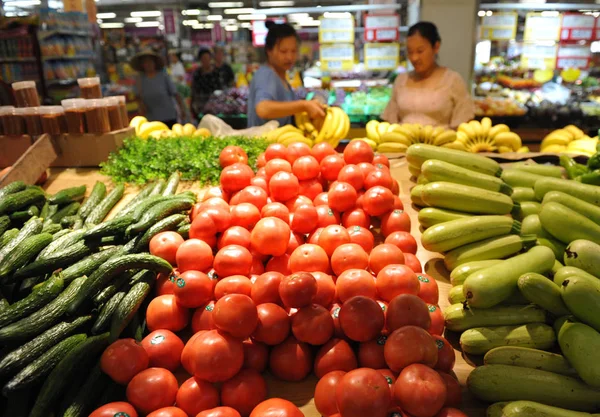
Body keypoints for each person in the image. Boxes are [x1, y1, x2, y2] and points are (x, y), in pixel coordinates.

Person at [381, 21, 474, 128]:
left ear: (436, 47)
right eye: (410, 52)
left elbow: (463, 124)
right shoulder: (401, 80)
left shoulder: (452, 80)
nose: (414, 58)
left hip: (441, 144)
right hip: (404, 143)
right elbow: (390, 121)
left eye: (420, 51)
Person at [247, 22, 325, 127]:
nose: (289, 57)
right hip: (267, 142)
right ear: (269, 51)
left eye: (293, 51)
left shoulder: (281, 78)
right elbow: (263, 109)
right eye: (283, 51)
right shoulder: (266, 75)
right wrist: (303, 105)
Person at [131, 50, 185, 128]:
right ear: (142, 65)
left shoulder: (163, 75)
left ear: (155, 63)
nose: (148, 64)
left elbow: (175, 93)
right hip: (151, 118)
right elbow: (136, 96)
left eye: (150, 61)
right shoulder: (139, 79)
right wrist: (141, 105)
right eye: (145, 62)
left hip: (168, 115)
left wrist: (182, 108)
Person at [190, 49, 221, 118]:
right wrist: (192, 106)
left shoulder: (216, 73)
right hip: (200, 107)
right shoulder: (197, 74)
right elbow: (193, 90)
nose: (206, 61)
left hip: (215, 107)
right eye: (204, 58)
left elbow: (220, 89)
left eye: (207, 58)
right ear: (200, 60)